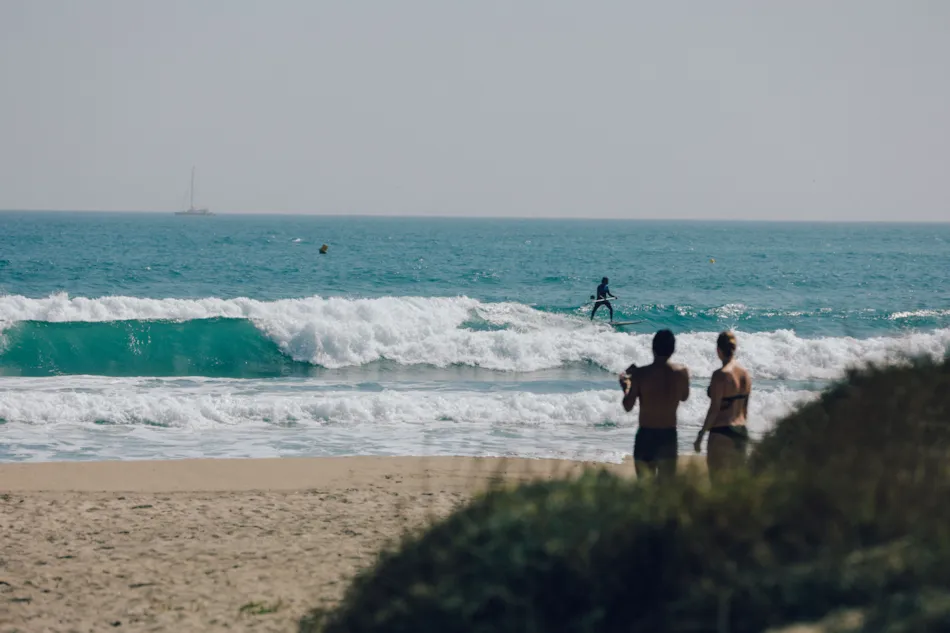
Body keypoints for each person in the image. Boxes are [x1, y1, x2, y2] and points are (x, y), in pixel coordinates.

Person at [618, 329, 690, 480]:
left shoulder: (640, 374)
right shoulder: (681, 373)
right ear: (673, 349)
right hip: (668, 435)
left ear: (653, 348)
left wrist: (626, 387)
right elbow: (684, 397)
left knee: (645, 488)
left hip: (646, 435)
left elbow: (628, 406)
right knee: (666, 489)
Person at [694, 331, 752, 483]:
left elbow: (714, 410)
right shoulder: (745, 374)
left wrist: (701, 435)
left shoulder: (720, 375)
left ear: (718, 350)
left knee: (717, 484)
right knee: (737, 485)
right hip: (740, 431)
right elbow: (744, 411)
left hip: (722, 431)